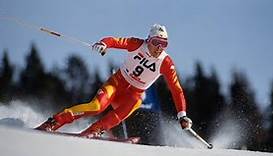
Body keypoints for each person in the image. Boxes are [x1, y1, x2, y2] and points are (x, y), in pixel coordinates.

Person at [36, 24, 193, 138]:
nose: (159, 48)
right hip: (117, 84)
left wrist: (182, 115)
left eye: (164, 44)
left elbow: (176, 90)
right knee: (96, 106)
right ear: (148, 40)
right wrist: (103, 44)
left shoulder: (166, 62)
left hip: (133, 94)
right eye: (156, 43)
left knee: (132, 104)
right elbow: (115, 41)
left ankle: (94, 130)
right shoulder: (137, 44)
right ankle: (54, 122)